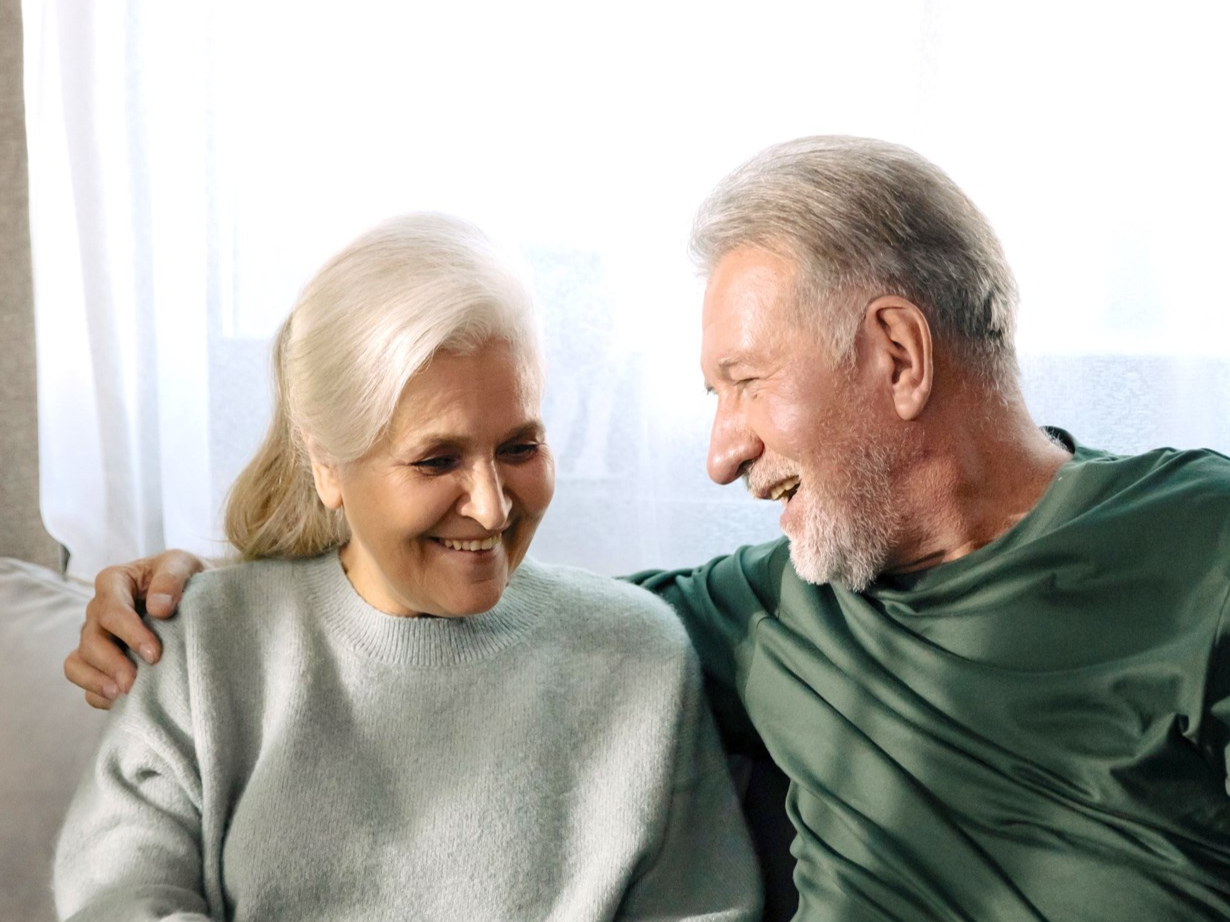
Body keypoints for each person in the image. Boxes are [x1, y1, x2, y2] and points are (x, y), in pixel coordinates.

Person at [67, 138, 1230, 921]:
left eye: (744, 380)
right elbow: (455, 607)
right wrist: (204, 591)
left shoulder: (1202, 549)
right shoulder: (764, 608)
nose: (719, 452)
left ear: (897, 355)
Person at [53, 213, 762, 922]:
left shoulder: (640, 655)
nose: (490, 509)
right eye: (437, 460)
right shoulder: (196, 647)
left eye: (519, 447)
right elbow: (116, 901)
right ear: (327, 465)